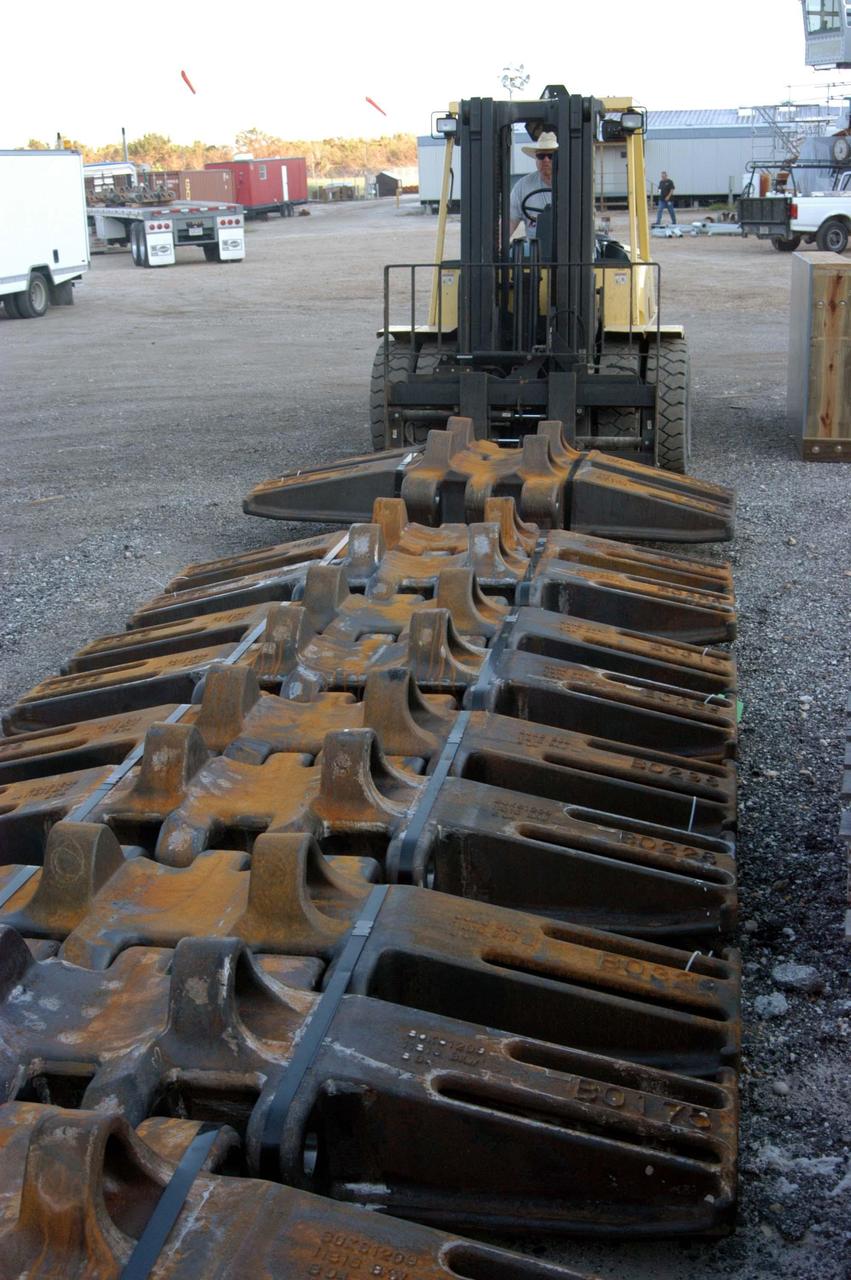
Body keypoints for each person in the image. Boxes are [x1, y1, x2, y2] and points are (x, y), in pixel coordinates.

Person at [509, 131, 557, 238]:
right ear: (536, 158)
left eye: (551, 155)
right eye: (541, 156)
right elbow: (510, 221)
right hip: (535, 244)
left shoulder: (573, 185)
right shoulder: (523, 186)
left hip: (567, 244)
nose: (546, 160)